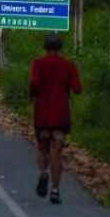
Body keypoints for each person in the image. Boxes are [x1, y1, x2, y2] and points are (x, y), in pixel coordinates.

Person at [30, 32, 83, 205]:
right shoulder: (68, 65)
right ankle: (55, 189)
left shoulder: (39, 64)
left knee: (42, 148)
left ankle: (43, 171)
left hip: (42, 115)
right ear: (60, 47)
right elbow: (77, 88)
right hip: (61, 115)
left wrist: (33, 94)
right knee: (56, 151)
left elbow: (34, 83)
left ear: (45, 46)